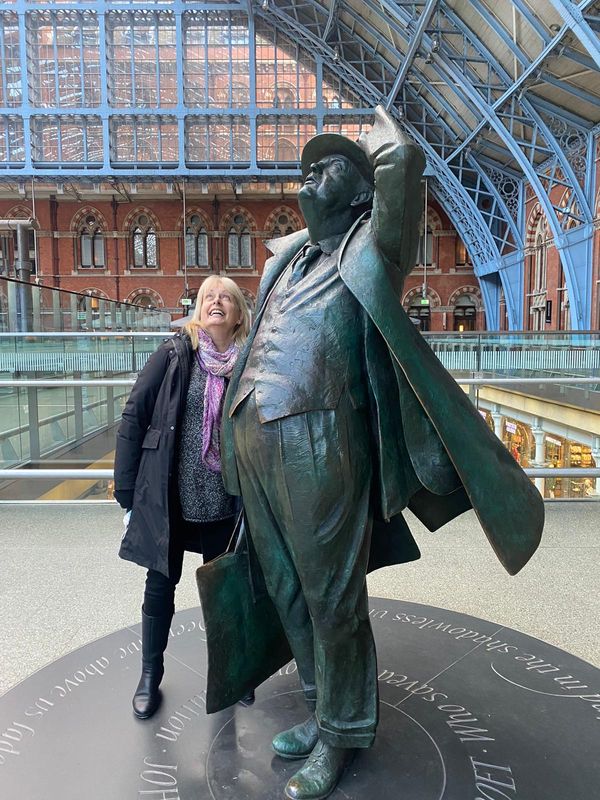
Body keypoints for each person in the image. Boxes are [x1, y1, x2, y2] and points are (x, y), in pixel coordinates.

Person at [219, 106, 543, 800]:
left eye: (330, 165)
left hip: (319, 433)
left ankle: (341, 734)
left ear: (362, 192)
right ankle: (319, 707)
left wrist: (379, 127)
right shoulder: (285, 257)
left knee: (331, 594)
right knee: (285, 590)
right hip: (253, 434)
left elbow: (401, 165)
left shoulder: (374, 246)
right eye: (307, 166)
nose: (312, 171)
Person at [114, 276, 251, 719]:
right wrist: (127, 487)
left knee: (226, 591)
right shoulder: (175, 353)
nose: (217, 301)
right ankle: (149, 676)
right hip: (172, 495)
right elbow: (135, 413)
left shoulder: (249, 361)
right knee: (160, 586)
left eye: (226, 296)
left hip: (225, 501)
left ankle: (232, 671)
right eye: (209, 296)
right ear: (198, 310)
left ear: (238, 313)